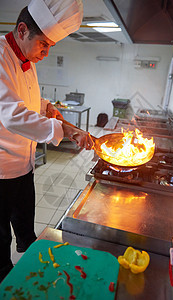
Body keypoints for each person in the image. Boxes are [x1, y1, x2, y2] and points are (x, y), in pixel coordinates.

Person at [0, 0, 93, 283]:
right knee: (1, 242)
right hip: (1, 171)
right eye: (44, 43)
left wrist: (44, 106)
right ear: (22, 29)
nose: (47, 52)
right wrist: (66, 130)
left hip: (24, 167)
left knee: (27, 234)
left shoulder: (27, 60)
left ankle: (35, 275)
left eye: (50, 45)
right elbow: (11, 114)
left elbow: (25, 101)